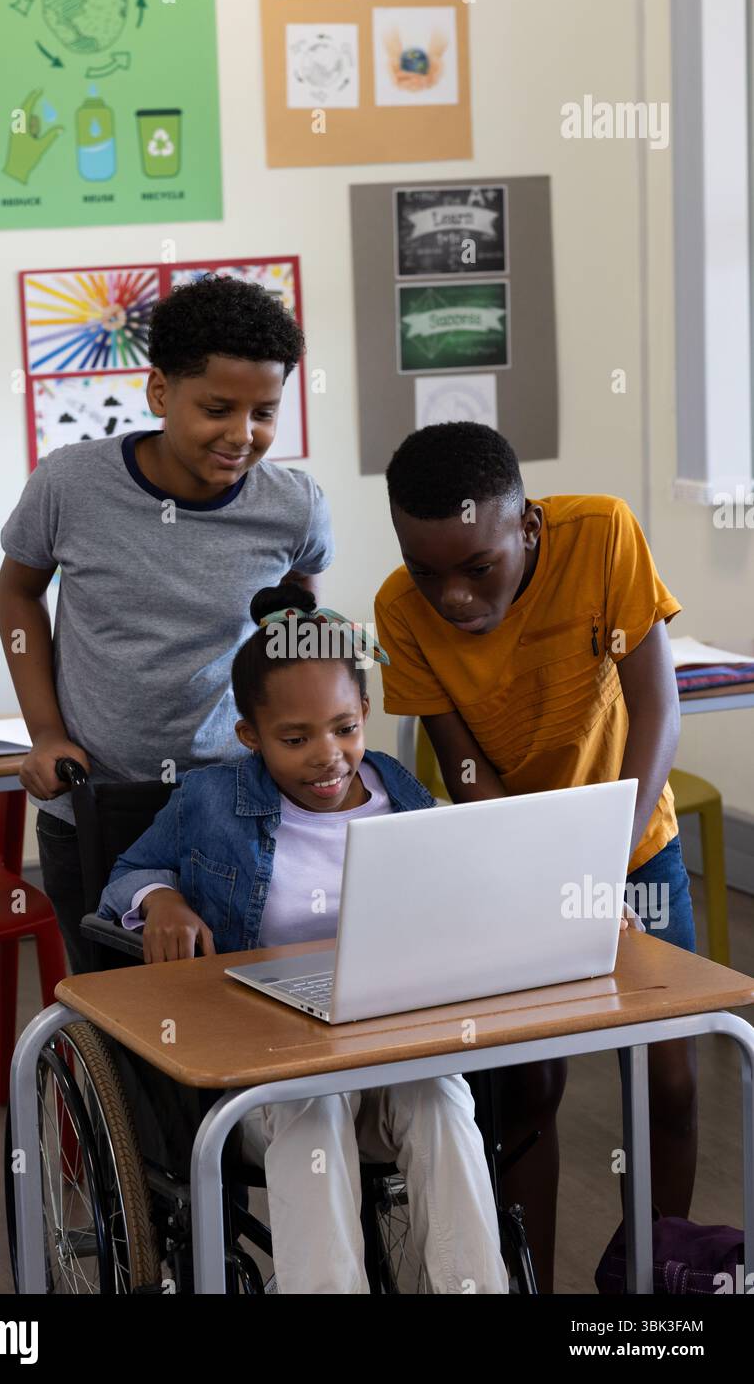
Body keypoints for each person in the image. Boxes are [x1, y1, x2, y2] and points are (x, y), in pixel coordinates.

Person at [97, 583, 510, 1295]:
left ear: (366, 716)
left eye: (344, 729)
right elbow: (129, 870)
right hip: (271, 1071)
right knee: (312, 1108)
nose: (328, 756)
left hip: (390, 1049)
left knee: (442, 1096)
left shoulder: (400, 790)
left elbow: (469, 869)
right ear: (250, 736)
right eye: (295, 739)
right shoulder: (211, 801)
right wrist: (159, 897)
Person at [374, 421, 696, 1293]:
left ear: (526, 526)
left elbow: (655, 708)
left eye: (475, 567)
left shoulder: (600, 535)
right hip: (513, 860)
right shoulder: (397, 614)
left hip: (634, 842)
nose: (449, 596)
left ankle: (653, 1286)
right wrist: (542, 876)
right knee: (525, 1089)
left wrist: (603, 864)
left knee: (665, 1074)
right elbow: (462, 766)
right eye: (422, 567)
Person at [0, 274, 333, 975]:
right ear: (159, 394)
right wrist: (47, 733)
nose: (242, 436)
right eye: (217, 408)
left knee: (242, 999)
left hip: (237, 802)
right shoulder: (69, 486)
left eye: (264, 413)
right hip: (92, 801)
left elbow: (294, 625)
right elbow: (20, 595)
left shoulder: (292, 507)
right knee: (117, 1008)